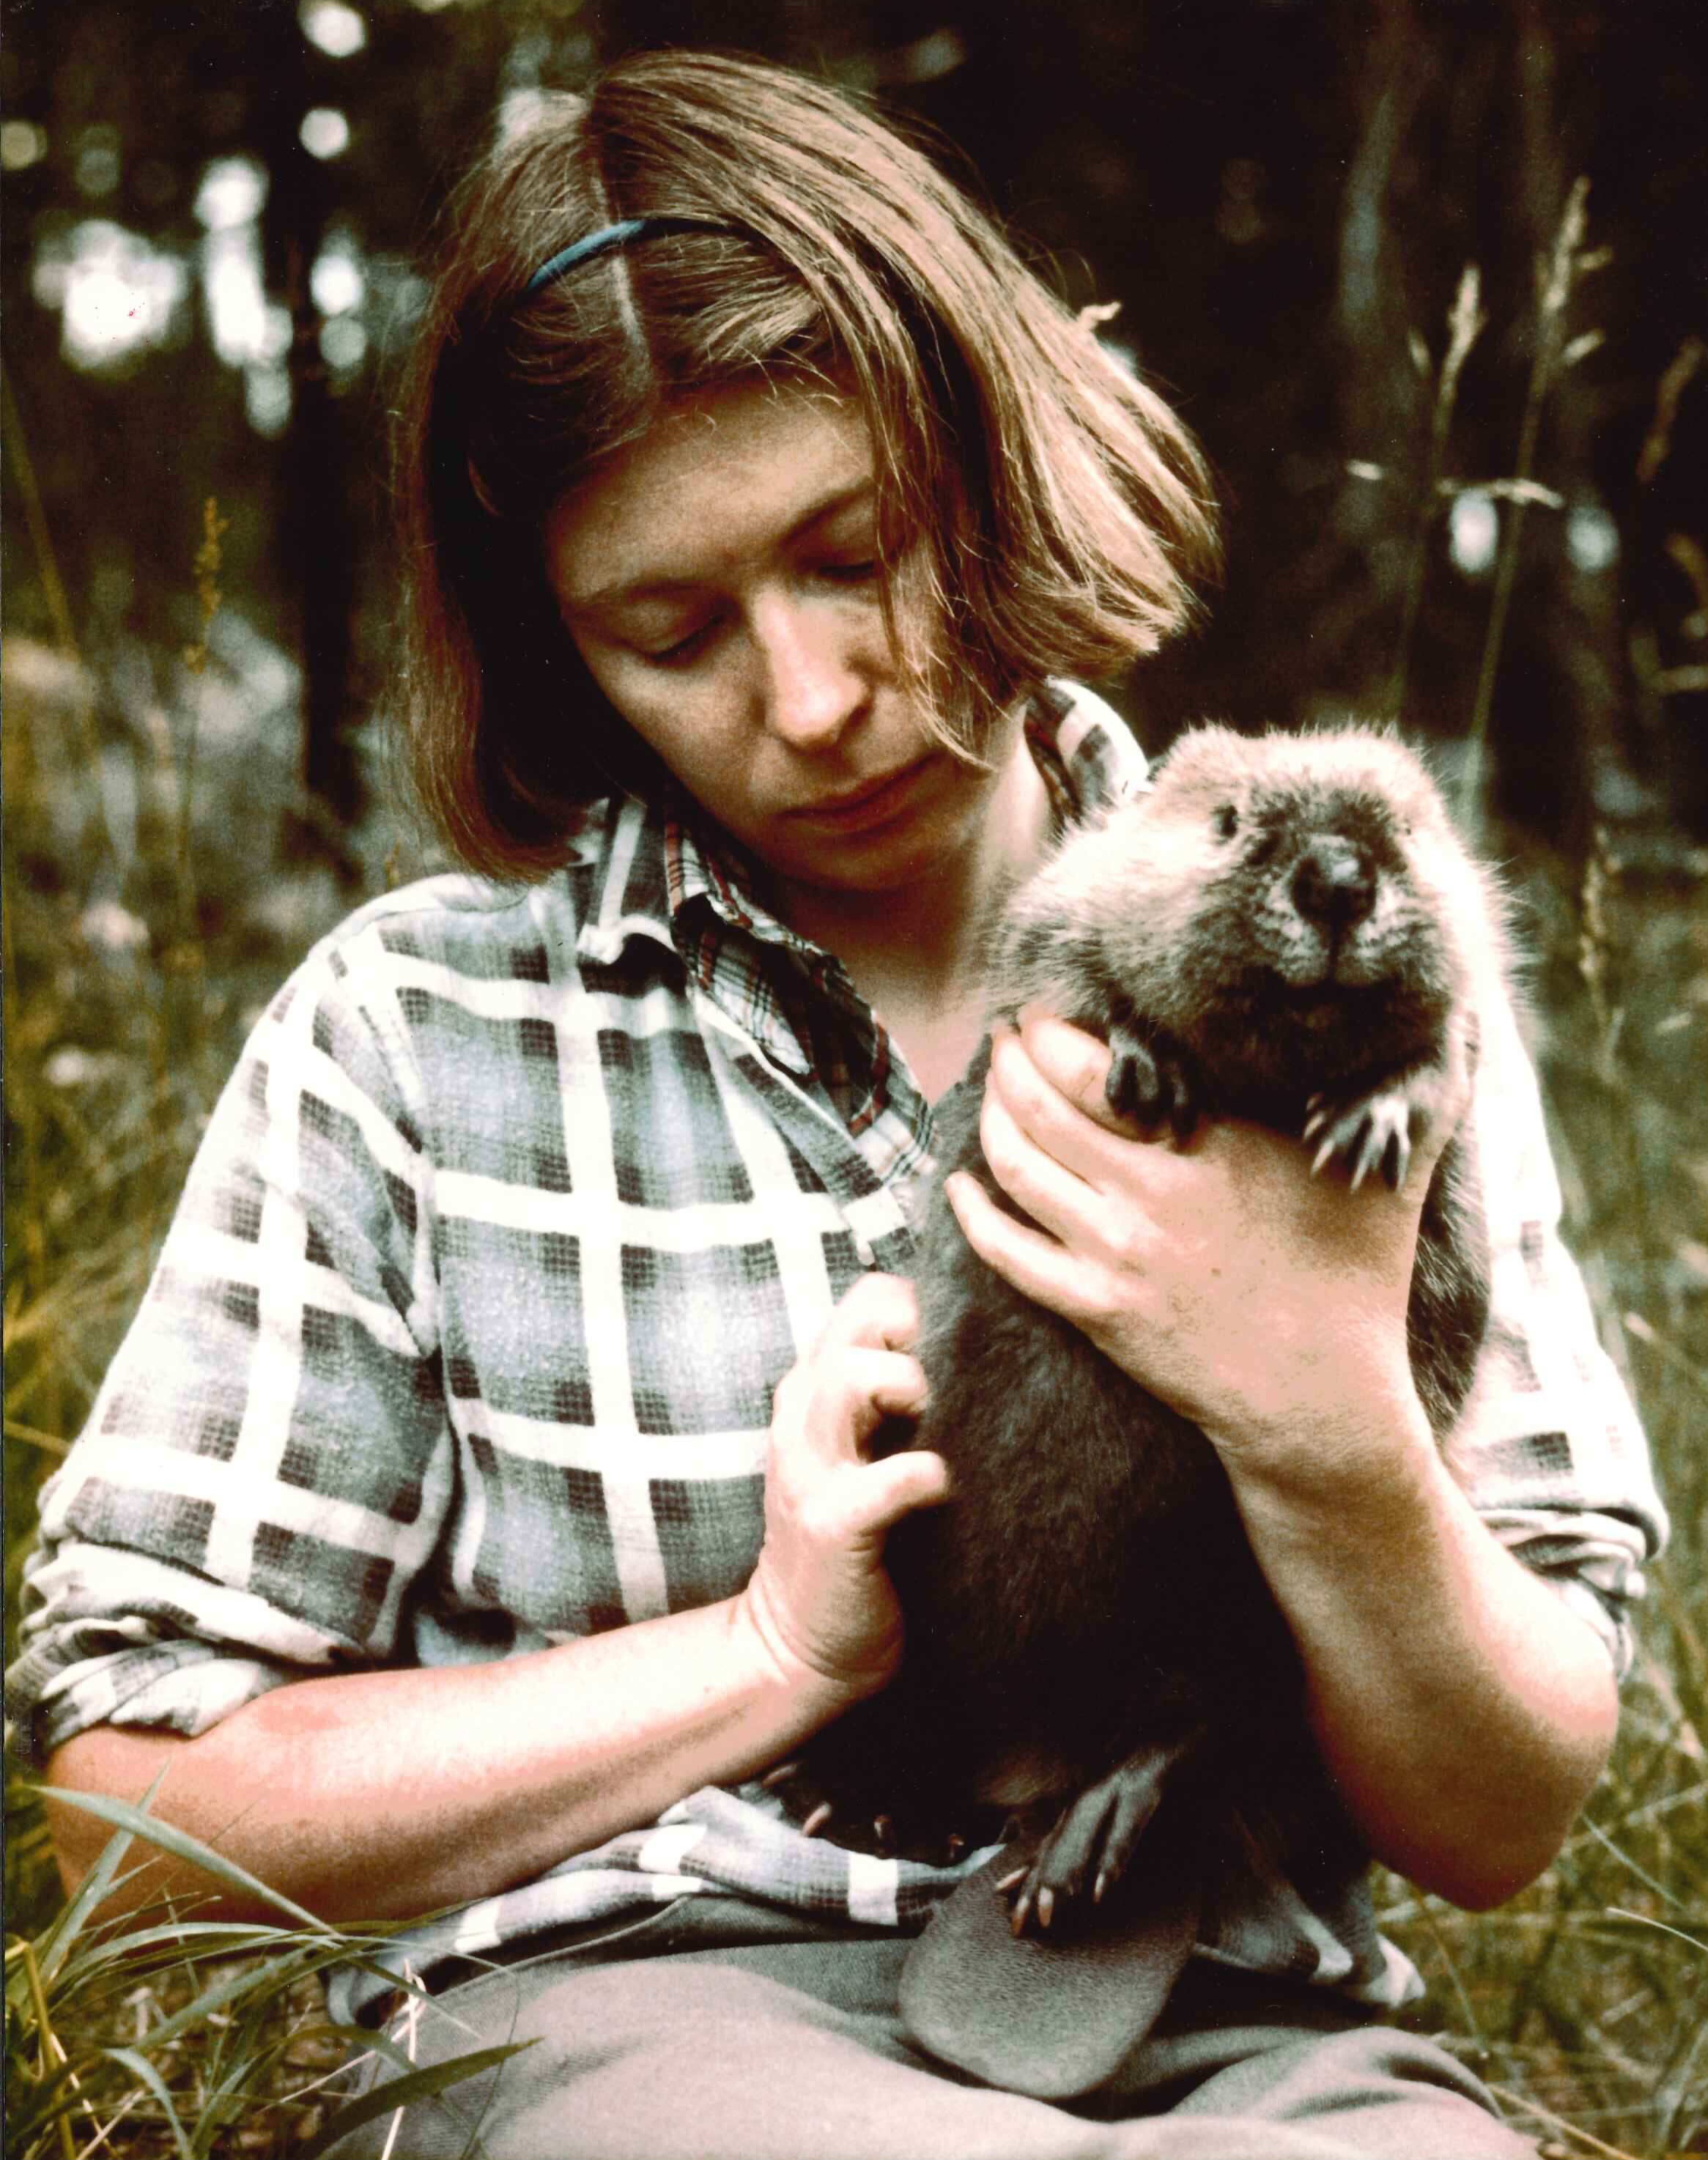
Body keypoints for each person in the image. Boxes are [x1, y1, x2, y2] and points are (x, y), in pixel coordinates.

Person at [7, 49, 1665, 2160]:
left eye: (853, 549)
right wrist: (768, 1646)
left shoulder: (1357, 979)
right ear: (559, 656)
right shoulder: (412, 1041)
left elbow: (1506, 1810)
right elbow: (130, 1830)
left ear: (986, 464)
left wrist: (1328, 1430)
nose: (808, 697)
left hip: (1231, 2019)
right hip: (630, 2006)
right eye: (670, 628)